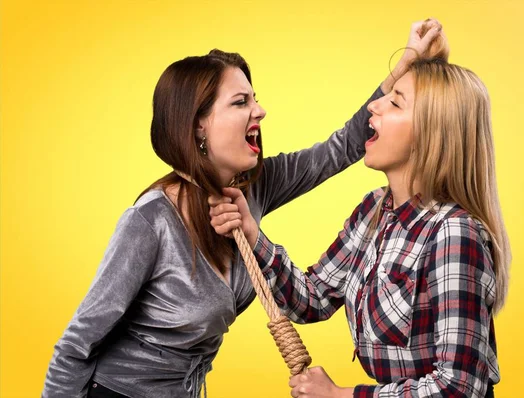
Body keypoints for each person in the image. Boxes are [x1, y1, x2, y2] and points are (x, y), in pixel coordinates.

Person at [42, 20, 444, 398]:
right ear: (198, 125)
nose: (260, 111)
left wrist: (407, 62)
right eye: (240, 102)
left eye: (256, 99)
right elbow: (77, 343)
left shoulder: (255, 188)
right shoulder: (150, 222)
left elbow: (339, 149)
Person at [209, 31, 510, 398]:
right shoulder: (373, 211)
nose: (374, 107)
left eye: (395, 104)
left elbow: (458, 388)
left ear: (431, 133)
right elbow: (312, 299)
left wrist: (342, 395)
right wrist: (253, 234)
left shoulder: (454, 235)